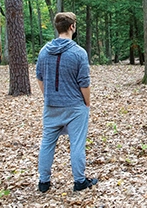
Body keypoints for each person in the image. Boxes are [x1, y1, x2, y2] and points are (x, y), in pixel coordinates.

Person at [36, 12, 97, 193]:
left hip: (51, 106)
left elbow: (39, 77)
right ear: (72, 27)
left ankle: (44, 182)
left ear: (57, 27)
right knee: (77, 144)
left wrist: (48, 97)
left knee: (47, 143)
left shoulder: (44, 51)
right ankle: (79, 181)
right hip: (74, 107)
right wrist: (87, 103)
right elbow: (84, 83)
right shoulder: (79, 53)